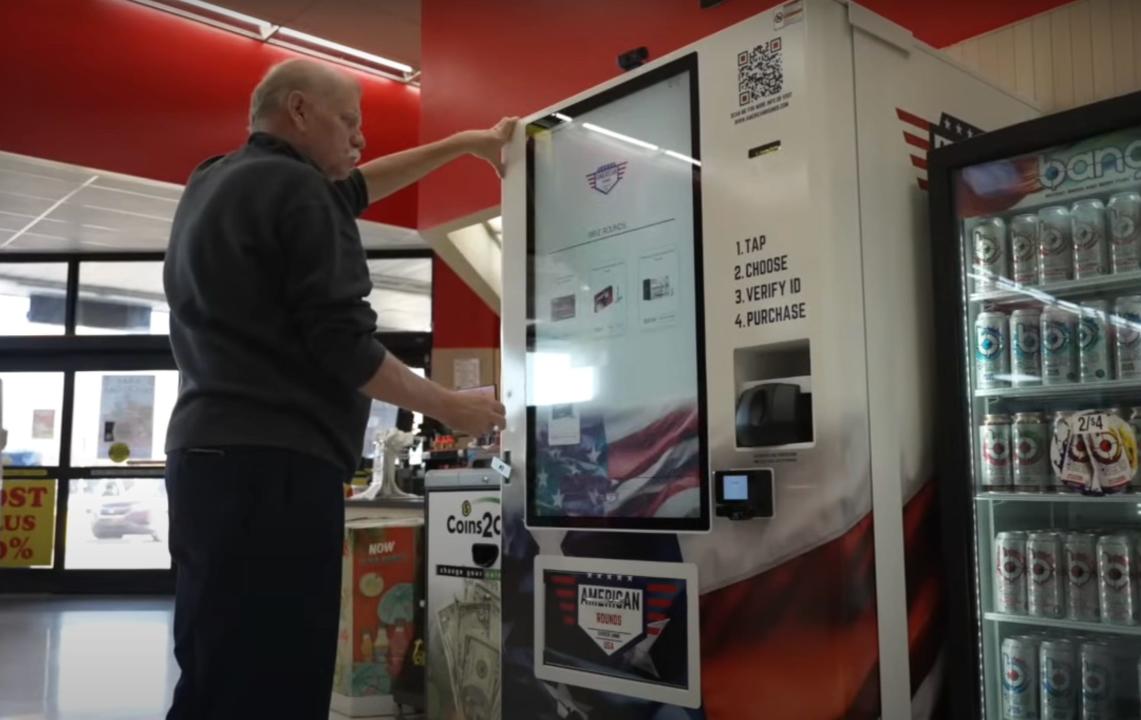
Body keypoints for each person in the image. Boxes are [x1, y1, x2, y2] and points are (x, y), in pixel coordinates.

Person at [162, 58, 512, 719]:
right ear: (298, 110)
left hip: (205, 460)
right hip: (276, 469)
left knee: (216, 666)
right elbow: (342, 346)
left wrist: (465, 144)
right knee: (280, 674)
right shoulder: (296, 192)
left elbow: (351, 188)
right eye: (348, 121)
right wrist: (452, 407)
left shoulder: (215, 180)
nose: (360, 140)